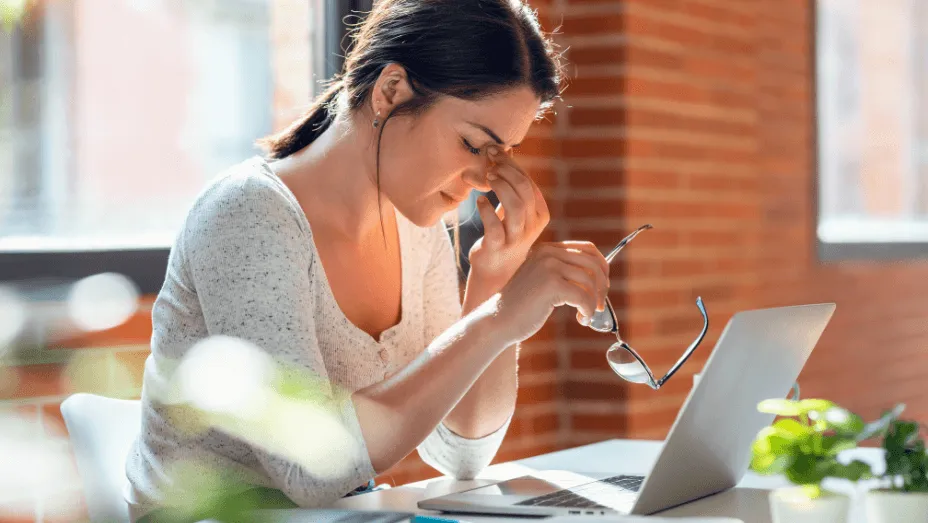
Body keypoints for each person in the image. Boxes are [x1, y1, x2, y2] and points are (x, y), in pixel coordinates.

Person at [125, 0, 610, 520]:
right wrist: (498, 320)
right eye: (473, 144)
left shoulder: (414, 226)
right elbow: (311, 470)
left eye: (499, 157)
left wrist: (492, 280)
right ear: (391, 91)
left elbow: (460, 452)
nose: (482, 181)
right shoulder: (249, 214)